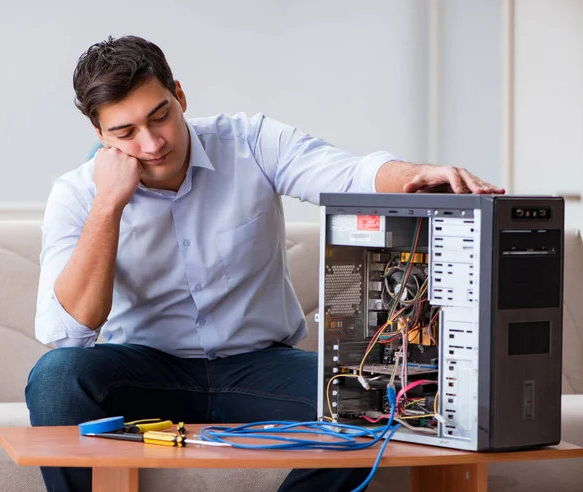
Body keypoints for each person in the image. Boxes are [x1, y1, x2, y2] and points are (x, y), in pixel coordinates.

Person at [25, 35, 504, 492]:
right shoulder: (78, 193)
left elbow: (350, 174)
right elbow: (68, 335)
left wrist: (416, 175)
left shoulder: (250, 141)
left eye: (159, 117)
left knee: (377, 400)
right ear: (99, 134)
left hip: (259, 367)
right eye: (125, 132)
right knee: (55, 378)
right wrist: (108, 204)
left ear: (180, 95)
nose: (152, 144)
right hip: (146, 371)